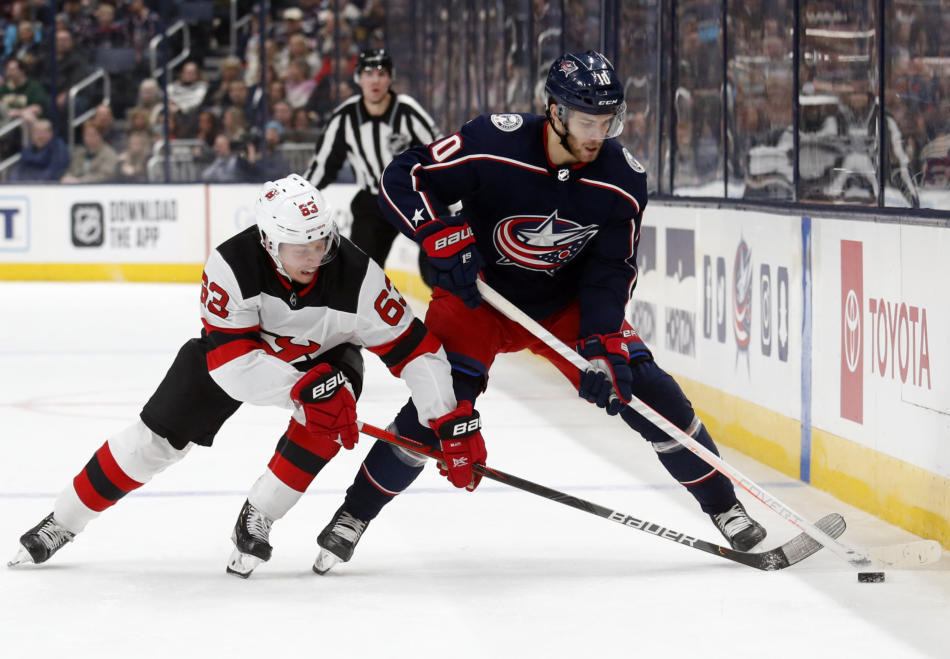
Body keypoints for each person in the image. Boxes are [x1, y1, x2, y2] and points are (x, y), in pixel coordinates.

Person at [308, 51, 768, 574]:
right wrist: (435, 232)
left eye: (609, 121)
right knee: (438, 412)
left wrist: (600, 343)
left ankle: (725, 507)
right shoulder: (494, 143)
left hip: (562, 308)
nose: (600, 134)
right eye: (587, 121)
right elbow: (406, 174)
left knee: (646, 389)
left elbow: (611, 271)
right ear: (554, 111)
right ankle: (353, 514)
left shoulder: (622, 180)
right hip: (476, 299)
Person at [9, 174, 485, 579]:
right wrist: (299, 389)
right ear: (269, 241)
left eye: (321, 241)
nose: (314, 255)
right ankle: (63, 521)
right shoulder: (231, 264)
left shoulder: (360, 278)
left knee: (325, 418)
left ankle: (260, 516)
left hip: (328, 358)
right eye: (300, 245)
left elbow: (417, 350)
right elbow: (233, 365)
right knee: (152, 443)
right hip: (234, 361)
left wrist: (446, 420)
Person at [304, 48, 439, 272]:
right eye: (368, 73)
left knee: (438, 265)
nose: (375, 80)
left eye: (381, 73)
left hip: (415, 197)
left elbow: (438, 154)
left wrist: (452, 197)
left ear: (390, 77)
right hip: (373, 202)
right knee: (361, 271)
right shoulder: (345, 117)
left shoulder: (408, 111)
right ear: (358, 78)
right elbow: (323, 166)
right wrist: (299, 195)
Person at [8, 117, 69, 182]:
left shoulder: (58, 147)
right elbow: (18, 169)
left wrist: (35, 183)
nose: (40, 136)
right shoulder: (29, 148)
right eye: (36, 132)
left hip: (47, 187)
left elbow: (55, 171)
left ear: (50, 133)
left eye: (43, 132)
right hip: (26, 186)